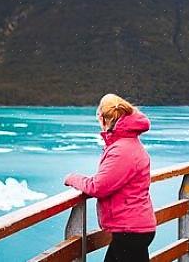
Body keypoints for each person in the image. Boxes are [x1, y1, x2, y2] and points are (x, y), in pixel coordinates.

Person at [64, 94, 156, 262]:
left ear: (104, 119)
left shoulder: (122, 150)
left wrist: (72, 178)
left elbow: (98, 187)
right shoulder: (128, 143)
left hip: (130, 231)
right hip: (134, 228)